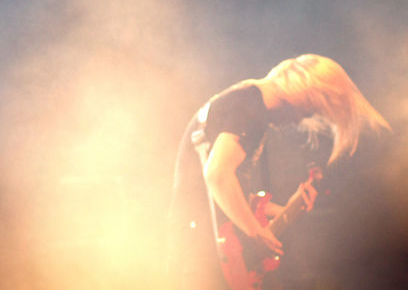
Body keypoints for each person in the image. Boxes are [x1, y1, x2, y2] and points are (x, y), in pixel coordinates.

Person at [166, 54, 390, 290]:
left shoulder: (247, 105)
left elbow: (219, 192)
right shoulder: (248, 105)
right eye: (310, 109)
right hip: (201, 250)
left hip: (201, 243)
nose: (302, 119)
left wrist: (286, 209)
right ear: (305, 89)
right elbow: (217, 174)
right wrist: (255, 232)